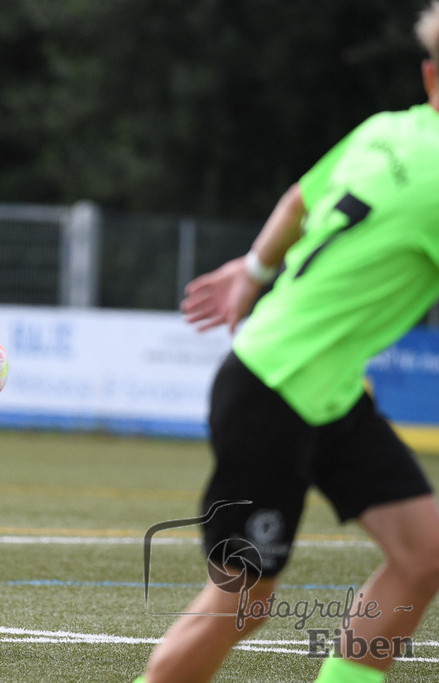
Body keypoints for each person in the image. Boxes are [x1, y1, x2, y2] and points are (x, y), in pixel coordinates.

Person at [136, 3, 439, 681]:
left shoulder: (385, 132)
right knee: (243, 599)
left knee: (424, 554)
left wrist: (254, 269)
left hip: (319, 390)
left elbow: (301, 198)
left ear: (428, 77)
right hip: (275, 390)